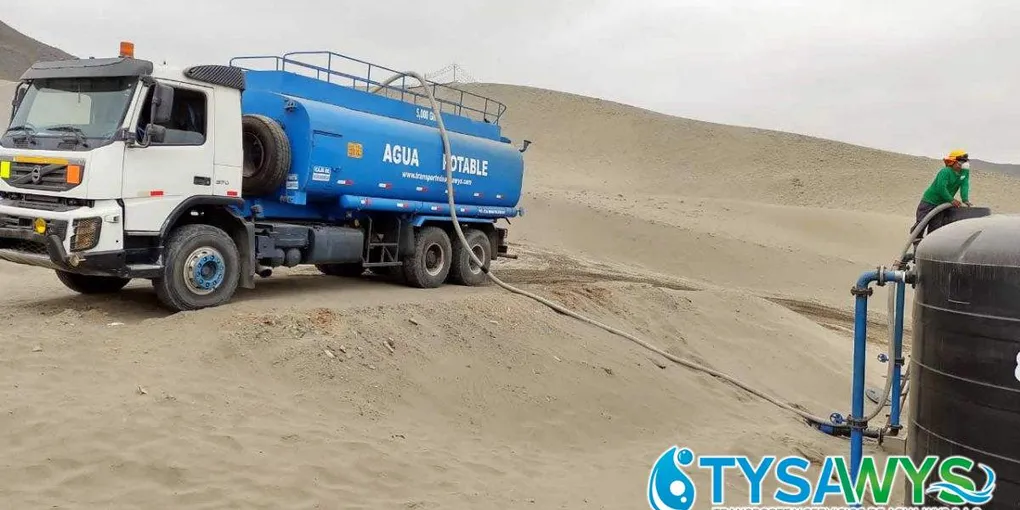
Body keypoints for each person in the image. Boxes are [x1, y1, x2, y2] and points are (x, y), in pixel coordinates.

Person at [910, 149, 972, 246]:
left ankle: (930, 247)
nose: (962, 164)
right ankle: (916, 245)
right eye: (960, 162)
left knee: (935, 228)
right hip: (929, 202)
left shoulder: (964, 173)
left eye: (964, 162)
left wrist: (965, 199)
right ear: (953, 162)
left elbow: (964, 185)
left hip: (942, 205)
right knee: (921, 224)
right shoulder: (945, 171)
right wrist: (951, 200)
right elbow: (941, 188)